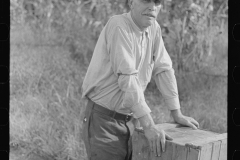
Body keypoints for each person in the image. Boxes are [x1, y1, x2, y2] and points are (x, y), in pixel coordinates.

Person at [81, 0, 199, 159]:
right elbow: (128, 78)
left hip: (132, 120)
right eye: (146, 0)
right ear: (131, 2)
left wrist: (177, 114)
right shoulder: (119, 26)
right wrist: (149, 125)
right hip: (104, 122)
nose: (152, 7)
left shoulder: (154, 28)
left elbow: (163, 69)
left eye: (157, 2)